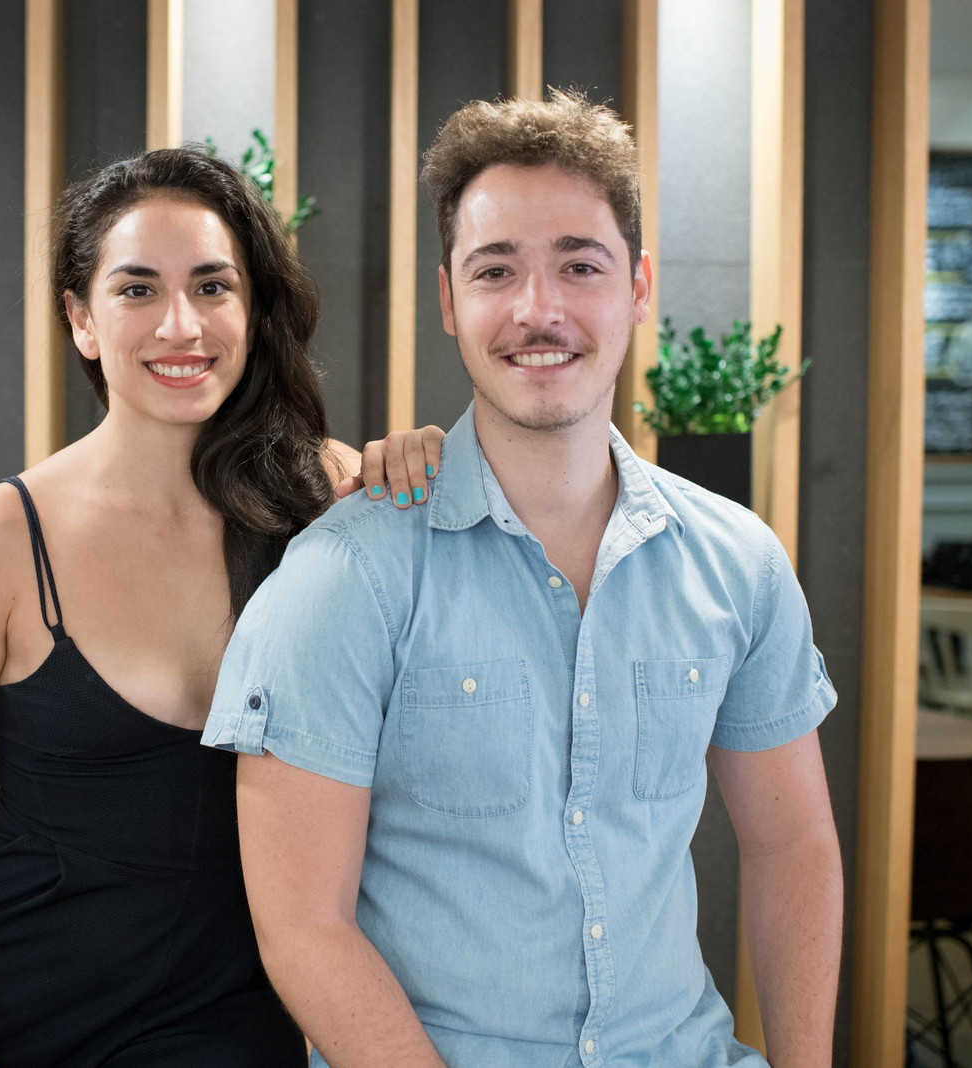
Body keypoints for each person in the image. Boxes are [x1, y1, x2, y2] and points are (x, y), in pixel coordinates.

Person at [204, 91, 844, 1068]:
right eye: (495, 270)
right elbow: (303, 930)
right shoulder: (344, 579)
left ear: (636, 287)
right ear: (449, 301)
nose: (538, 309)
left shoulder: (739, 562)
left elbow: (792, 845)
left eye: (578, 266)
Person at [0, 146, 444, 1068]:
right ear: (82, 320)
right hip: (12, 1007)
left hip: (230, 1018)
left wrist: (413, 466)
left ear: (253, 311)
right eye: (137, 290)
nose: (181, 325)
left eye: (213, 287)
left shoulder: (331, 501)